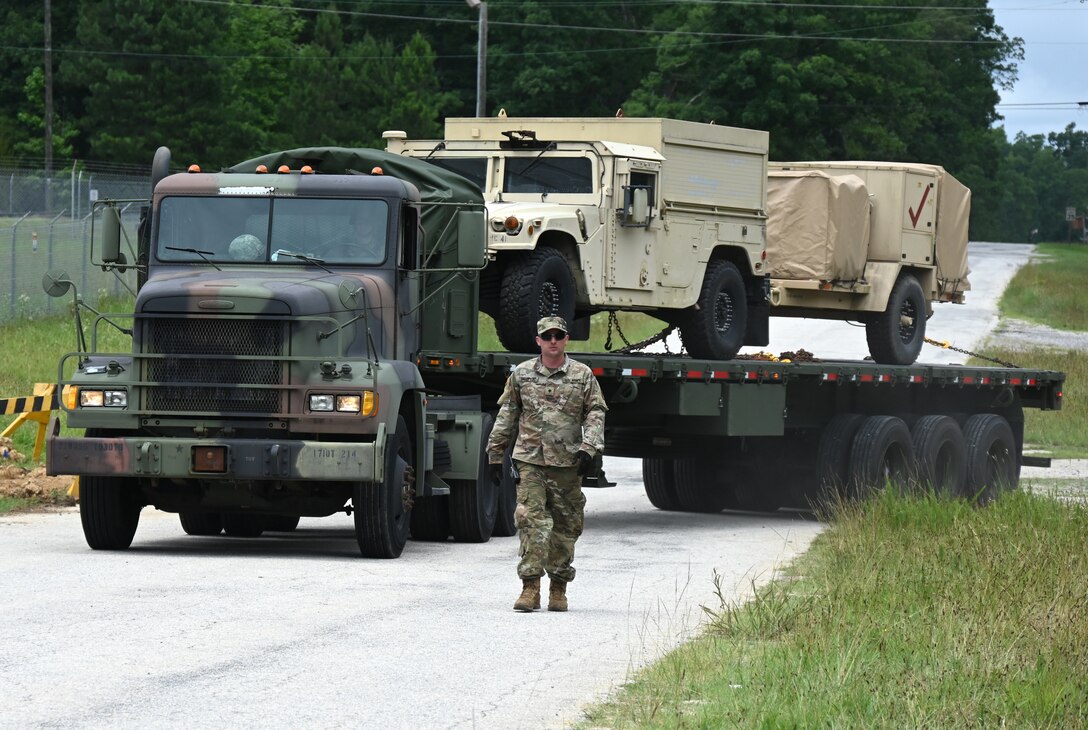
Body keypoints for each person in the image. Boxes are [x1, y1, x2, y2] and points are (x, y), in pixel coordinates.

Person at [486, 316, 607, 613]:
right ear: (538, 340)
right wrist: (495, 453)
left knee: (566, 527)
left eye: (559, 335)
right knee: (530, 521)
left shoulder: (582, 375)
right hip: (531, 460)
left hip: (568, 463)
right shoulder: (522, 374)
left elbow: (596, 413)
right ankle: (530, 587)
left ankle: (559, 588)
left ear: (566, 339)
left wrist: (588, 449)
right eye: (547, 335)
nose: (553, 340)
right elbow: (508, 414)